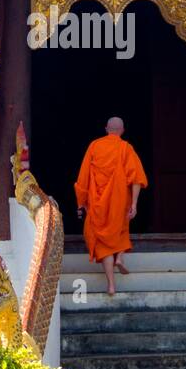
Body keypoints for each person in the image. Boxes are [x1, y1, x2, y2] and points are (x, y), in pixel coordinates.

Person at [74, 116, 148, 296]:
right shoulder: (125, 148)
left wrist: (81, 202)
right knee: (120, 229)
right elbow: (136, 178)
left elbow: (83, 176)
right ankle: (120, 258)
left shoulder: (94, 146)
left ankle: (111, 285)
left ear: (106, 128)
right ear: (122, 131)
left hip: (97, 202)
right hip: (119, 198)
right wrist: (134, 204)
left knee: (103, 242)